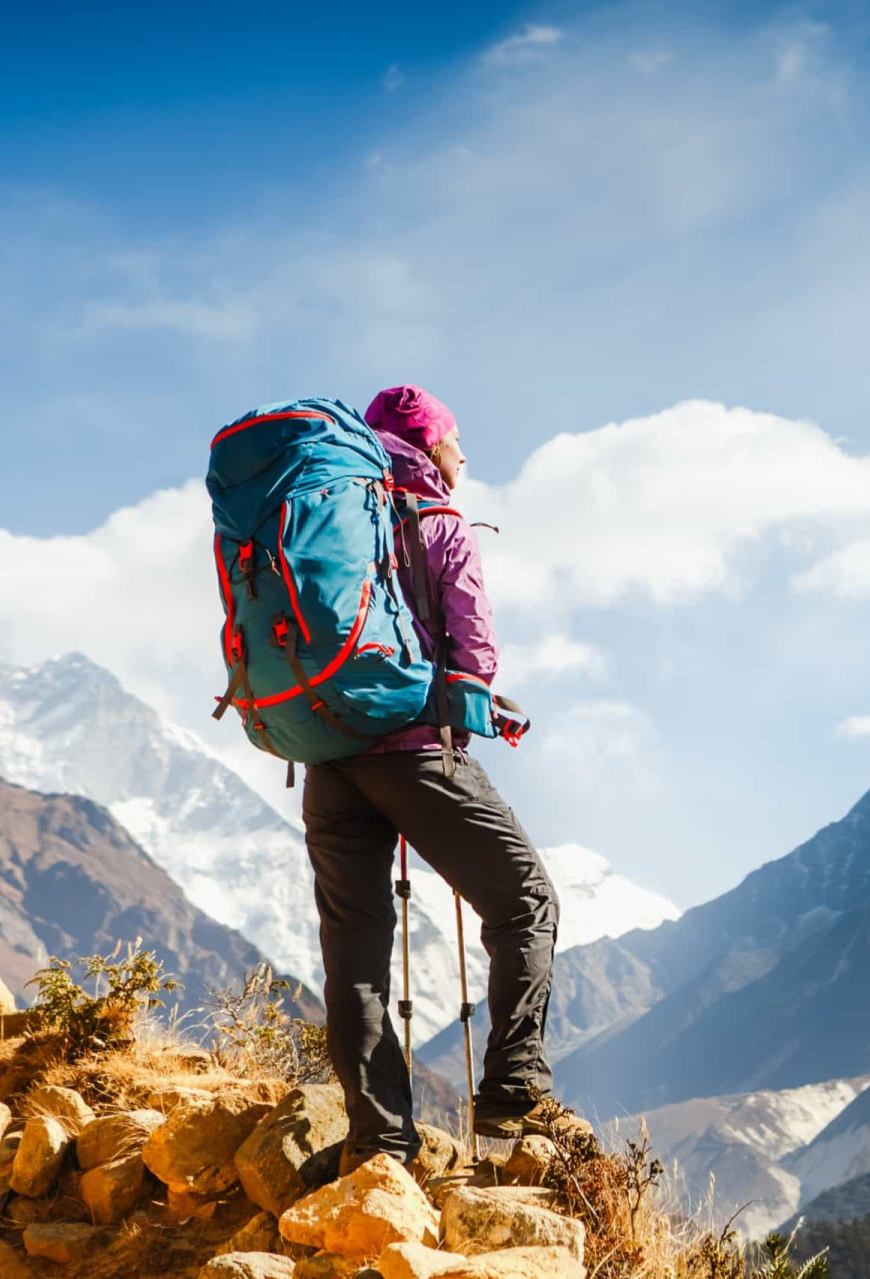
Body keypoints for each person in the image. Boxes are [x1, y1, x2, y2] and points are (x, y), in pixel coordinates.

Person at [301, 383, 559, 1173]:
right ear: (432, 446)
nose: (465, 456)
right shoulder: (440, 521)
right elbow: (475, 657)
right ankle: (514, 1094)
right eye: (457, 441)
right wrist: (480, 709)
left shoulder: (331, 520)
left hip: (327, 758)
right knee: (525, 899)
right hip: (416, 754)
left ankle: (379, 1140)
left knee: (356, 953)